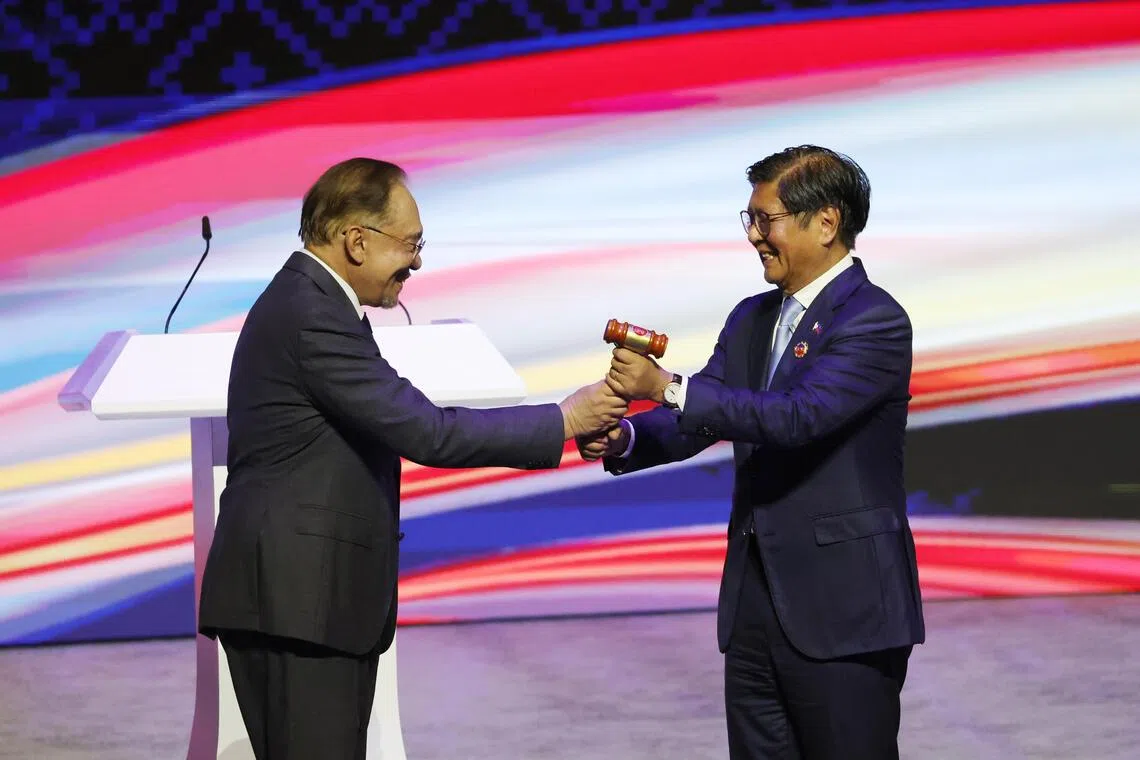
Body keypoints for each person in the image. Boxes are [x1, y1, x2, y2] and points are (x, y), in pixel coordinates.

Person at [198, 157, 625, 760]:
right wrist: (563, 421)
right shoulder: (312, 313)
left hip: (304, 600)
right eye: (411, 244)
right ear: (356, 241)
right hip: (295, 602)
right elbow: (425, 431)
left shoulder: (312, 301)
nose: (418, 262)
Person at [583, 146, 925, 759]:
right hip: (756, 608)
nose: (754, 237)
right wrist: (627, 437)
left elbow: (798, 418)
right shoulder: (751, 317)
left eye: (765, 220)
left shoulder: (874, 320)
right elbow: (703, 414)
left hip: (844, 610)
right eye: (750, 221)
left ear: (825, 222)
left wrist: (664, 385)